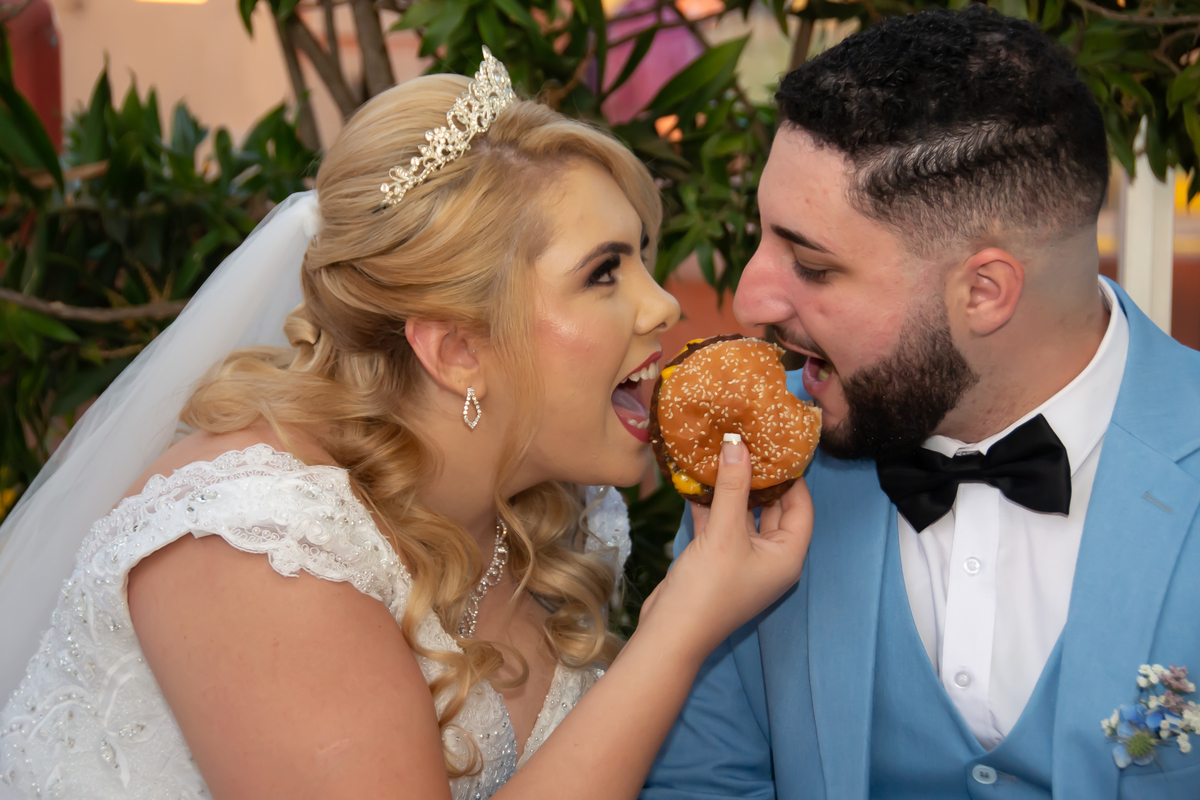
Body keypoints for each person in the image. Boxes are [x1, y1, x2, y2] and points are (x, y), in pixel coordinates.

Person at [0, 50, 813, 800]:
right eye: (604, 273)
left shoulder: (552, 515)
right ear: (458, 348)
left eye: (641, 255)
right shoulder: (255, 545)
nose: (663, 304)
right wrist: (682, 625)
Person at [644, 7, 1200, 799]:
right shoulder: (759, 464)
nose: (751, 298)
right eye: (762, 235)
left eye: (813, 263)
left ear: (983, 291)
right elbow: (701, 785)